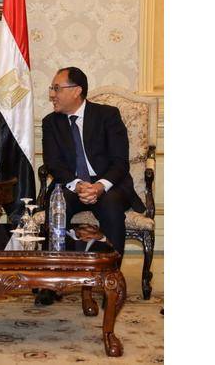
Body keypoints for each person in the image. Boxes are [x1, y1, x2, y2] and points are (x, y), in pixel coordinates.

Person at [36, 67, 146, 306]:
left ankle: (110, 282)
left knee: (111, 208)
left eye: (57, 88)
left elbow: (120, 162)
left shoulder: (107, 115)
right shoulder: (51, 122)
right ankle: (52, 279)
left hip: (108, 183)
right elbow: (53, 163)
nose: (52, 94)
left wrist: (99, 186)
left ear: (76, 91)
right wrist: (78, 185)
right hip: (72, 183)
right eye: (52, 89)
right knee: (57, 207)